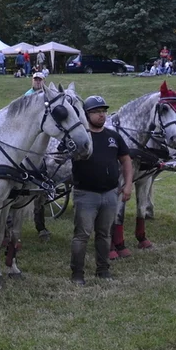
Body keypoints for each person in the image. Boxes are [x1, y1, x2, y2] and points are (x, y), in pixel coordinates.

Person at [69, 95, 133, 285]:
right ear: (86, 115)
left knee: (105, 234)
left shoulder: (113, 136)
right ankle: (77, 274)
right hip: (86, 194)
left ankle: (103, 270)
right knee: (82, 235)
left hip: (110, 194)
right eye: (96, 112)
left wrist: (128, 184)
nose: (101, 115)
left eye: (103, 111)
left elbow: (126, 160)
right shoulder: (80, 138)